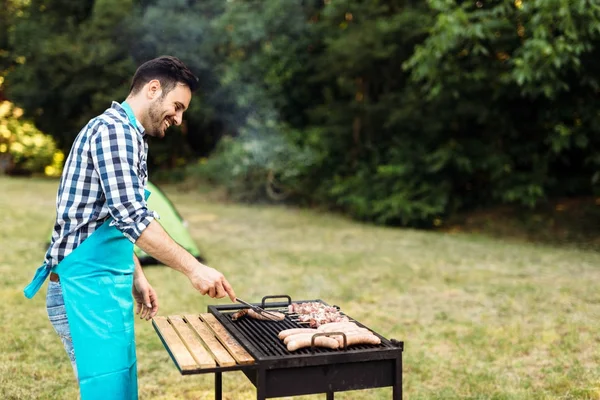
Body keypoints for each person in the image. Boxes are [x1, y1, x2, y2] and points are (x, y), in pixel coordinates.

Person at [23, 55, 236, 400]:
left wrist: (136, 275)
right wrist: (194, 268)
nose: (179, 119)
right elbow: (134, 217)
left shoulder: (131, 137)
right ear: (154, 89)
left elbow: (111, 216)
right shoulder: (113, 132)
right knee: (107, 392)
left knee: (120, 388)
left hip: (105, 283)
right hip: (83, 289)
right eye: (177, 106)